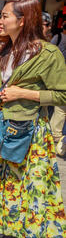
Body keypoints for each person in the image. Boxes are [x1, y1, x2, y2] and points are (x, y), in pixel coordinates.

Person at [0, 0, 66, 238]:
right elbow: (6, 85)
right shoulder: (6, 48)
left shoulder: (49, 54)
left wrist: (24, 94)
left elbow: (63, 94)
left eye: (5, 16)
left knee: (25, 186)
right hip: (1, 124)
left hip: (31, 131)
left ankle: (20, 234)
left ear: (23, 20)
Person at [50, 20, 66, 156]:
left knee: (61, 108)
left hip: (60, 72)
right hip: (59, 73)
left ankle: (56, 133)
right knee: (61, 108)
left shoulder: (57, 38)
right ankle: (56, 133)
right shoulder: (59, 38)